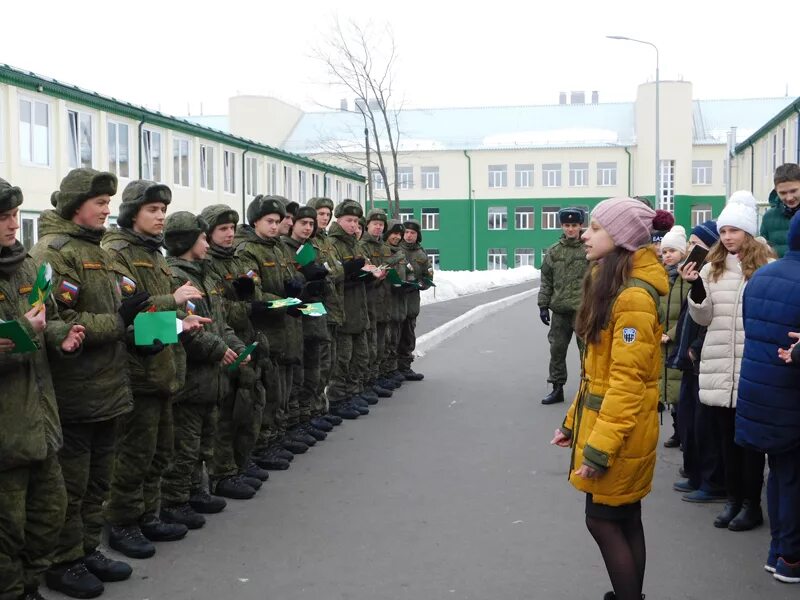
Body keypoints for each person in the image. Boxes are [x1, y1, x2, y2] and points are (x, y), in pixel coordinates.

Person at [32, 169, 142, 598]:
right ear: (77, 205)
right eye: (100, 202)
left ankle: (87, 549)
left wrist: (137, 335)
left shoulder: (99, 251)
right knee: (71, 486)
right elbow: (59, 321)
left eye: (108, 201)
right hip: (76, 390)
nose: (107, 209)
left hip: (110, 386)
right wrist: (117, 323)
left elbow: (124, 309)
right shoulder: (55, 252)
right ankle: (64, 562)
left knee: (99, 481)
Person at [551, 196, 668, 600]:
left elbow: (626, 383)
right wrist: (572, 422)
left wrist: (598, 450)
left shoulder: (632, 297)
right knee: (624, 518)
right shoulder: (612, 283)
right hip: (617, 428)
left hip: (621, 434)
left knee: (602, 520)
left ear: (620, 239)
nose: (585, 234)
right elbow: (597, 375)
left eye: (596, 228)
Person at [101, 180, 208, 559]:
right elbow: (128, 315)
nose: (161, 216)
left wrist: (181, 322)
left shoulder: (154, 254)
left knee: (159, 452)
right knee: (133, 456)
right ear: (132, 213)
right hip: (137, 372)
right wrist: (173, 300)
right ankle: (123, 522)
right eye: (152, 210)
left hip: (162, 368)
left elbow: (155, 318)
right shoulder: (116, 253)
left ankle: (147, 514)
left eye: (163, 210)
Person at [0, 178, 85, 600]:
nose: (13, 224)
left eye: (15, 214)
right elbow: (24, 331)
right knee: (6, 529)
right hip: (5, 431)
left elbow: (45, 317)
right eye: (2, 217)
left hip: (41, 419)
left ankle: (30, 583)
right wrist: (21, 337)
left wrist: (58, 336)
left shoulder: (28, 266)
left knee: (50, 512)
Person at [683, 190, 773, 531]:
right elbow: (703, 318)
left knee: (750, 443)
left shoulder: (768, 266)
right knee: (725, 440)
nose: (727, 237)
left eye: (734, 230)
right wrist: (696, 289)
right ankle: (733, 499)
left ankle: (752, 504)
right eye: (723, 231)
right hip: (719, 364)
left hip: (752, 367)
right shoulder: (712, 268)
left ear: (748, 231)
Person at [160, 212, 249, 530]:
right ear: (187, 242)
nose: (206, 242)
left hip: (210, 376)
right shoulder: (175, 278)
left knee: (204, 439)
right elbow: (184, 329)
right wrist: (217, 350)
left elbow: (220, 322)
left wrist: (235, 346)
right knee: (184, 444)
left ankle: (196, 491)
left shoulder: (205, 276)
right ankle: (174, 500)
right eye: (201, 237)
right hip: (190, 376)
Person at [200, 204, 286, 493]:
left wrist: (263, 300)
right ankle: (223, 471)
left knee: (251, 403)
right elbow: (216, 310)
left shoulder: (237, 260)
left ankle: (242, 460)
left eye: (231, 229)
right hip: (225, 342)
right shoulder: (207, 262)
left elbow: (256, 295)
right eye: (222, 229)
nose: (228, 234)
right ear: (209, 233)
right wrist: (248, 307)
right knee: (228, 411)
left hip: (249, 338)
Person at [737, 211, 800, 580]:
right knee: (792, 477)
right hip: (791, 391)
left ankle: (778, 550)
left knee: (779, 473)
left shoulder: (761, 277)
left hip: (763, 391)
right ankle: (791, 557)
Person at [235, 196, 310, 457]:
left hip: (283, 329)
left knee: (280, 389)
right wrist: (283, 300)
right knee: (264, 392)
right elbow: (253, 293)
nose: (275, 226)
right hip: (263, 329)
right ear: (255, 221)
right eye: (269, 221)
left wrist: (296, 286)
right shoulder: (247, 250)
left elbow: (292, 275)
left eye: (278, 222)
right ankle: (262, 444)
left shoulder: (276, 248)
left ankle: (277, 435)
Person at [668, 222, 726, 504]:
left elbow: (717, 319)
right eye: (689, 243)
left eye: (696, 243)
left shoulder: (714, 274)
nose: (690, 249)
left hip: (705, 359)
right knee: (691, 421)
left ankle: (711, 481)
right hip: (690, 359)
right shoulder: (695, 272)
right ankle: (696, 473)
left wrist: (695, 347)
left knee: (705, 425)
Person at [538, 207, 589, 405]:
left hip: (583, 311)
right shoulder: (554, 251)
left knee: (587, 352)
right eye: (567, 225)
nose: (570, 229)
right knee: (557, 350)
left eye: (574, 225)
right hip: (560, 311)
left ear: (580, 226)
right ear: (561, 226)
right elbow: (546, 281)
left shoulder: (588, 249)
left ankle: (588, 388)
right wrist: (543, 305)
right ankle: (557, 387)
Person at [326, 200, 372, 417]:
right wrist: (350, 272)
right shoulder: (332, 243)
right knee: (342, 359)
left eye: (356, 221)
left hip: (358, 308)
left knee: (360, 356)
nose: (353, 225)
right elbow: (332, 275)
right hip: (343, 308)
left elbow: (365, 266)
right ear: (339, 220)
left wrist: (370, 274)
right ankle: (337, 399)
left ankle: (354, 393)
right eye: (349, 220)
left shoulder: (355, 243)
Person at [306, 197, 347, 422]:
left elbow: (336, 270)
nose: (324, 218)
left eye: (327, 214)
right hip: (316, 309)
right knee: (318, 363)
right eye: (320, 214)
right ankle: (314, 411)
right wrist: (334, 272)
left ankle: (321, 407)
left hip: (331, 306)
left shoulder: (326, 242)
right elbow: (328, 272)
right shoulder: (308, 243)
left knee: (328, 360)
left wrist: (335, 271)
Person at [657, 225, 688, 448]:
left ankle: (684, 433)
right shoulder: (659, 278)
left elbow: (689, 314)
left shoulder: (687, 279)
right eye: (665, 251)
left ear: (683, 253)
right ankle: (678, 431)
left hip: (678, 341)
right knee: (668, 388)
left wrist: (671, 334)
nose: (668, 255)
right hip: (660, 341)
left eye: (673, 251)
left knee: (680, 392)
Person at [359, 209, 394, 398]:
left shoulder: (385, 248)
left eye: (381, 225)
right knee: (369, 346)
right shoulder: (362, 246)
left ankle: (375, 378)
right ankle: (366, 383)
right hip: (370, 301)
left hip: (384, 301)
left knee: (380, 343)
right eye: (375, 224)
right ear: (367, 225)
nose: (378, 227)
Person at [397, 219, 432, 381]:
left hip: (411, 301)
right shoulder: (396, 249)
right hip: (395, 301)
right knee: (393, 337)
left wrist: (420, 284)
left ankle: (405, 367)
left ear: (418, 235)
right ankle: (392, 370)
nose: (409, 236)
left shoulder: (421, 254)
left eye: (412, 233)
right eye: (406, 232)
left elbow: (428, 276)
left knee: (408, 336)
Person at [760, 163, 800, 258]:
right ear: (776, 191)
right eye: (783, 193)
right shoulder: (768, 218)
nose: (789, 198)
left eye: (793, 191)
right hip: (780, 271)